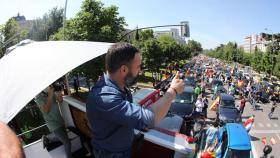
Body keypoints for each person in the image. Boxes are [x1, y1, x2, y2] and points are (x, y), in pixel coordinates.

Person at [86, 43, 184, 158]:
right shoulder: (104, 97)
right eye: (138, 67)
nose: (140, 71)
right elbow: (149, 119)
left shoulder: (118, 87)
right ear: (123, 69)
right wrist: (173, 91)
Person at [34, 84, 72, 158]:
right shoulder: (38, 98)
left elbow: (60, 101)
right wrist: (50, 95)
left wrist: (59, 93)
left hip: (60, 120)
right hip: (53, 123)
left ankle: (48, 139)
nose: (49, 86)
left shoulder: (50, 92)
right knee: (67, 143)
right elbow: (46, 110)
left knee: (64, 139)